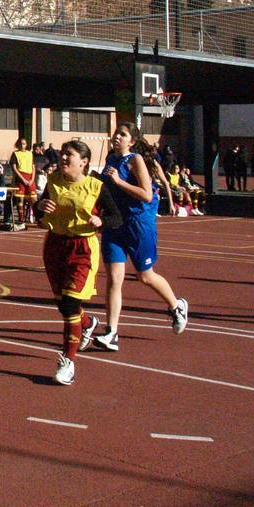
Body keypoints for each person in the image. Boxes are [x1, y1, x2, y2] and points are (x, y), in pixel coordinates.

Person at [94, 123, 188, 353]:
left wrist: (119, 182)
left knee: (145, 276)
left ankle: (176, 306)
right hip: (116, 223)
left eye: (122, 135)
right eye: (116, 133)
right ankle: (111, 332)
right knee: (114, 278)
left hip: (138, 224)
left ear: (131, 141)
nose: (116, 137)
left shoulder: (135, 160)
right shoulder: (110, 160)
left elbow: (146, 195)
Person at [36, 139, 122, 385]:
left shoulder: (95, 186)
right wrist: (39, 205)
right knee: (64, 305)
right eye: (63, 154)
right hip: (55, 246)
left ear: (83, 162)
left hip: (82, 248)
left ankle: (68, 362)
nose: (63, 158)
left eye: (69, 155)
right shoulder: (53, 182)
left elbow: (117, 216)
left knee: (71, 304)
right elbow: (39, 210)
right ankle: (88, 323)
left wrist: (102, 222)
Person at [9, 137, 37, 226]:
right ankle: (21, 218)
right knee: (20, 199)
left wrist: (32, 179)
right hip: (21, 177)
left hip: (30, 177)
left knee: (34, 199)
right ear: (18, 144)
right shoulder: (15, 154)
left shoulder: (30, 154)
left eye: (24, 143)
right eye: (21, 143)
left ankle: (38, 218)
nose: (22, 145)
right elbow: (14, 168)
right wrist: (23, 179)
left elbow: (33, 167)